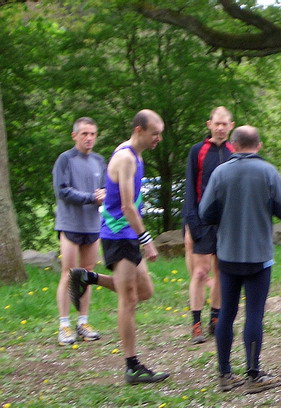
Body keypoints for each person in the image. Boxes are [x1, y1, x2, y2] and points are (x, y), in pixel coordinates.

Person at [69, 109, 169, 384]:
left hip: (128, 235)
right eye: (155, 133)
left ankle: (88, 277)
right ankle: (132, 366)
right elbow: (126, 206)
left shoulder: (135, 155)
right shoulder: (125, 157)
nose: (158, 138)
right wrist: (147, 241)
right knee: (129, 299)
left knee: (145, 291)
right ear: (139, 130)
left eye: (159, 133)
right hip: (117, 235)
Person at [199, 126, 281, 394]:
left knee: (226, 313)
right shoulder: (268, 172)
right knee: (254, 314)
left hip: (227, 255)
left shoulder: (220, 172)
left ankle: (225, 374)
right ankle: (253, 374)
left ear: (234, 145)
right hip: (258, 256)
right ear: (258, 145)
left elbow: (205, 212)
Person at [52, 117, 106, 346]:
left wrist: (103, 196)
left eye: (92, 134)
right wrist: (90, 198)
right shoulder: (65, 159)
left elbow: (105, 189)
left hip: (92, 225)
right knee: (68, 273)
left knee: (87, 273)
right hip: (70, 224)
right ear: (75, 135)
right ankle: (64, 325)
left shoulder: (99, 160)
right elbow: (62, 191)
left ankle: (83, 322)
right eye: (84, 134)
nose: (89, 138)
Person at [183, 106, 234, 344]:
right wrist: (191, 222)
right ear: (209, 124)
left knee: (222, 271)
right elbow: (190, 188)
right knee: (200, 272)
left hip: (226, 222)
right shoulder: (198, 151)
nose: (221, 128)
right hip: (202, 220)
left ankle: (216, 318)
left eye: (225, 124)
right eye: (217, 124)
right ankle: (196, 322)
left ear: (231, 126)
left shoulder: (235, 152)